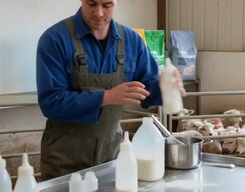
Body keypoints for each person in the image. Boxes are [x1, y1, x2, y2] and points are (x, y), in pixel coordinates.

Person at [36, 0, 185, 181]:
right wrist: (106, 97)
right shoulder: (55, 39)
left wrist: (166, 86)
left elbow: (147, 90)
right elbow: (51, 102)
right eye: (92, 4)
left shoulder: (131, 41)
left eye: (106, 5)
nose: (99, 13)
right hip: (65, 162)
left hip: (113, 158)